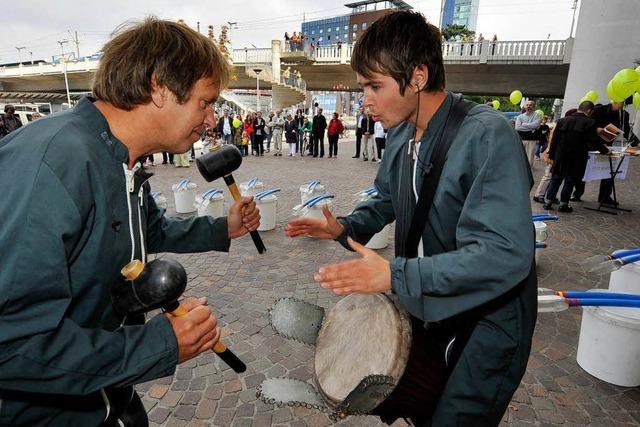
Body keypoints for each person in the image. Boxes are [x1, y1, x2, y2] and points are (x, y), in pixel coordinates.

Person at [0, 18, 260, 426]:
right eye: (205, 102)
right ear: (159, 87)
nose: (211, 120)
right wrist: (159, 343)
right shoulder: (55, 163)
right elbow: (13, 344)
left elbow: (146, 229)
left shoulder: (121, 159)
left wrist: (221, 227)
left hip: (108, 397)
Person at [285, 10, 536, 426]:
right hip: (430, 304)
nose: (364, 99)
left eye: (374, 85)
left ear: (418, 76)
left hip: (488, 321)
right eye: (364, 85)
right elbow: (387, 199)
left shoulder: (487, 135)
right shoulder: (402, 135)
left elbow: (505, 254)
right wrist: (344, 226)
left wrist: (396, 276)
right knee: (421, 404)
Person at [543, 101, 610, 212]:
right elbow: (594, 141)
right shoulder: (590, 122)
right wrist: (605, 151)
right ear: (589, 110)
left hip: (560, 156)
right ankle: (564, 204)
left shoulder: (562, 121)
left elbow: (554, 140)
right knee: (570, 180)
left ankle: (548, 202)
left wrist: (552, 155)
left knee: (556, 178)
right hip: (577, 157)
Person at [592, 101, 631, 205]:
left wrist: (636, 142)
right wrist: (596, 129)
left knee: (609, 170)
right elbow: (587, 123)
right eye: (622, 103)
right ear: (615, 101)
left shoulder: (624, 114)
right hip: (592, 143)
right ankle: (576, 193)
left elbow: (627, 130)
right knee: (583, 169)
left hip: (608, 146)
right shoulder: (598, 110)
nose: (623, 106)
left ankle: (605, 197)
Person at [515, 100, 541, 168]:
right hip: (521, 139)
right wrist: (531, 128)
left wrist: (523, 124)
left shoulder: (537, 115)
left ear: (534, 106)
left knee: (530, 158)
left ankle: (528, 173)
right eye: (527, 105)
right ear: (524, 106)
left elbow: (535, 126)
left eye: (531, 105)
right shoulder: (520, 117)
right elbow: (517, 127)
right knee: (520, 156)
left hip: (531, 140)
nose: (528, 106)